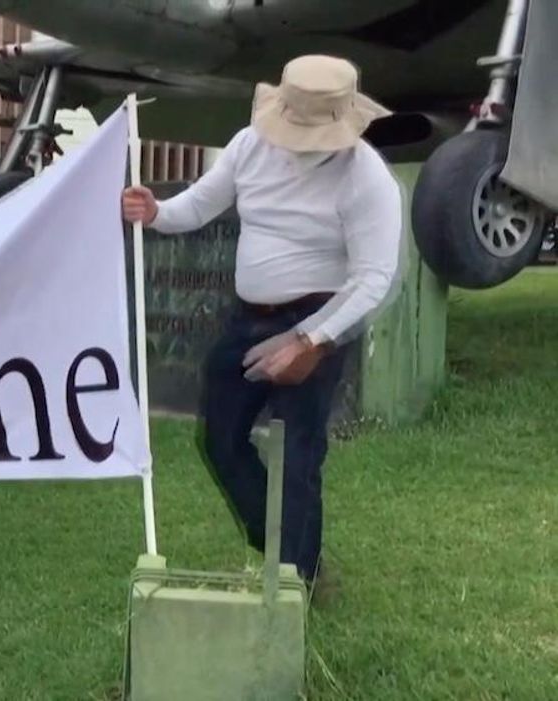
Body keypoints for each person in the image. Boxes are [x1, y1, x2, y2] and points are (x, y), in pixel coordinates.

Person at [121, 55, 403, 600]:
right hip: (250, 317)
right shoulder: (251, 144)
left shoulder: (366, 177)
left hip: (318, 318)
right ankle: (279, 546)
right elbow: (199, 206)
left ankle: (299, 582)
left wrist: (310, 341)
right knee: (221, 440)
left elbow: (373, 277)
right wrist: (155, 211)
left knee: (299, 454)